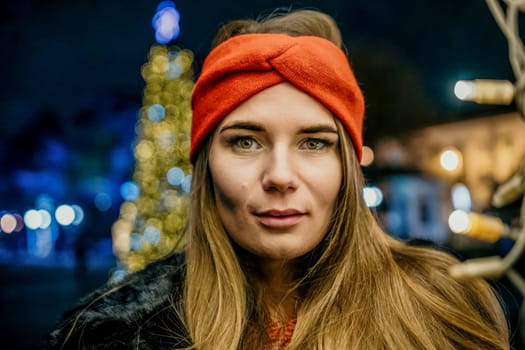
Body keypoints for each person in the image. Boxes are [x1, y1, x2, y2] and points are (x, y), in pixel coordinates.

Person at [44, 8, 510, 350]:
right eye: (245, 141)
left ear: (348, 166)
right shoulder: (112, 334)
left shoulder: (447, 309)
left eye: (314, 143)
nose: (280, 177)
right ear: (205, 165)